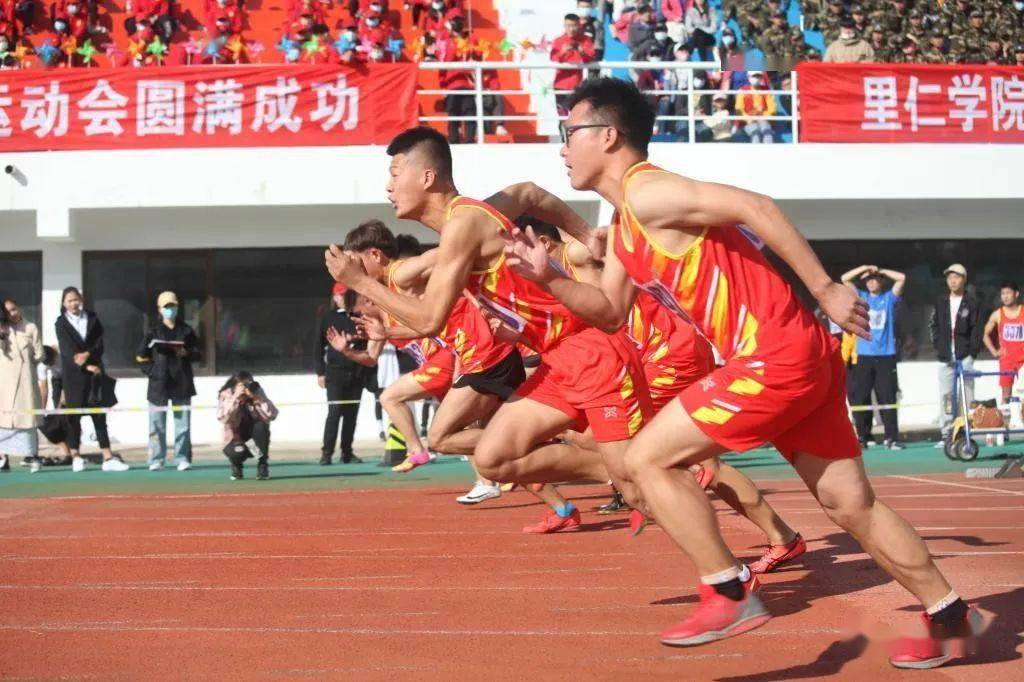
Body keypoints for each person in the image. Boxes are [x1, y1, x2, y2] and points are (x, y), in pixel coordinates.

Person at [501, 77, 984, 667]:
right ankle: (952, 616)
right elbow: (608, 311)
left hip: (774, 356)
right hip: (797, 357)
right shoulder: (627, 223)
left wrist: (828, 287)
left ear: (608, 135)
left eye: (568, 132)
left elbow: (758, 207)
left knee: (646, 458)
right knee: (850, 506)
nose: (561, 148)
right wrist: (548, 276)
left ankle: (728, 589)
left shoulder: (650, 191)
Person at [325, 126, 653, 536]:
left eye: (395, 173)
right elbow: (530, 192)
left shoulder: (461, 226)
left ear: (426, 178)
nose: (388, 186)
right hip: (553, 360)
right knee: (492, 458)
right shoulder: (475, 213)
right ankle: (622, 470)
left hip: (590, 352)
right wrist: (586, 232)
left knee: (643, 488)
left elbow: (429, 321)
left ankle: (725, 564)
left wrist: (361, 284)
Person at [54, 287, 129, 472]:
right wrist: (85, 365)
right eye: (70, 300)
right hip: (74, 376)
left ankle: (108, 457)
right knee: (74, 417)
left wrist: (88, 355)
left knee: (99, 415)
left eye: (76, 299)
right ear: (64, 303)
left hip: (95, 374)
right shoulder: (61, 323)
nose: (74, 303)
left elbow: (99, 344)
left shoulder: (92, 318)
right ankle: (76, 456)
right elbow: (67, 350)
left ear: (81, 300)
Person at [841, 265, 906, 450]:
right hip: (864, 355)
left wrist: (882, 271)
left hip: (886, 355)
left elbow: (901, 278)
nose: (871, 282)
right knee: (861, 397)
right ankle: (863, 437)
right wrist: (865, 268)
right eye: (868, 280)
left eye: (875, 279)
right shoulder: (862, 298)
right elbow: (845, 278)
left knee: (887, 396)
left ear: (881, 281)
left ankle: (891, 438)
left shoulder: (888, 299)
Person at [136, 291, 201, 472]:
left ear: (178, 307)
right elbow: (141, 357)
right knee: (156, 424)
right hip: (158, 385)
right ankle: (156, 459)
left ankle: (183, 458)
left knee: (183, 425)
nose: (170, 310)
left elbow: (198, 353)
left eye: (172, 306)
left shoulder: (187, 331)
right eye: (166, 306)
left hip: (182, 383)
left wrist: (186, 353)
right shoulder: (152, 332)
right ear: (159, 309)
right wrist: (153, 372)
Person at [316, 284, 373, 465]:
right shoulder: (328, 318)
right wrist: (320, 372)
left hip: (357, 372)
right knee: (334, 412)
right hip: (335, 373)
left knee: (351, 414)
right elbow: (317, 346)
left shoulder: (360, 316)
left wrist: (355, 340)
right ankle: (326, 453)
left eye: (345, 295)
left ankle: (347, 452)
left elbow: (369, 342)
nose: (342, 298)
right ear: (334, 297)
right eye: (339, 295)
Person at [930, 264, 983, 443]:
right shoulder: (941, 301)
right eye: (949, 277)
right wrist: (938, 346)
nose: (953, 281)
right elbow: (934, 325)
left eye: (957, 277)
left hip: (965, 355)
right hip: (945, 355)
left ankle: (966, 432)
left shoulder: (973, 302)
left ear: (964, 279)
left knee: (967, 395)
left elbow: (977, 330)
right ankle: (946, 433)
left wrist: (972, 354)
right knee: (946, 396)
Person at [0, 297, 44, 473]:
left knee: (28, 419)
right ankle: (4, 458)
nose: (13, 313)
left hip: (26, 382)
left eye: (14, 309)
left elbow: (40, 354)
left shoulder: (31, 327)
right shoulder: (3, 329)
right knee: (5, 421)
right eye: (8, 311)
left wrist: (29, 361)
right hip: (5, 382)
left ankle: (32, 456)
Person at [217, 371, 278, 480]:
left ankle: (262, 464)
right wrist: (235, 397)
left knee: (262, 427)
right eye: (243, 385)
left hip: (252, 444)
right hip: (235, 440)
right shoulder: (227, 394)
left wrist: (256, 399)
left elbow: (272, 415)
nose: (246, 388)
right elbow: (222, 417)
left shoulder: (257, 392)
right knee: (237, 452)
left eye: (248, 384)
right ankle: (236, 466)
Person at [983, 282, 1024, 401]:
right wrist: (994, 352)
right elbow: (985, 334)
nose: (1005, 296)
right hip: (1007, 360)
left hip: (1023, 360)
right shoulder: (997, 314)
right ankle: (1006, 418)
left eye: (1008, 293)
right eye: (1003, 293)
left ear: (1016, 294)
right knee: (1006, 396)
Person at [550, 13, 596, 110]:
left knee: (575, 115)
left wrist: (581, 52)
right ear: (564, 26)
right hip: (560, 84)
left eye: (574, 25)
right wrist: (562, 52)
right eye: (569, 26)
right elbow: (552, 59)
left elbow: (592, 58)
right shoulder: (558, 40)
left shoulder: (585, 40)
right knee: (562, 116)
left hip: (577, 85)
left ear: (579, 25)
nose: (572, 29)